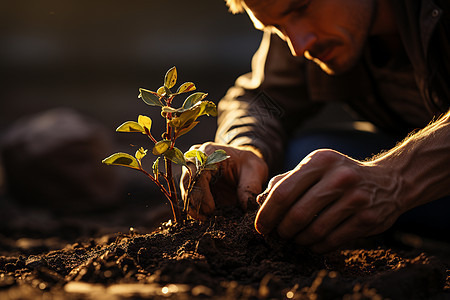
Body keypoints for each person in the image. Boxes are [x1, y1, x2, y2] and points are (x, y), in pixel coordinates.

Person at [180, 0, 450, 253]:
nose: (299, 46)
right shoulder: (305, 35)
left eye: (301, 7)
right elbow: (264, 100)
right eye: (277, 28)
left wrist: (395, 177)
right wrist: (245, 147)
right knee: (298, 163)